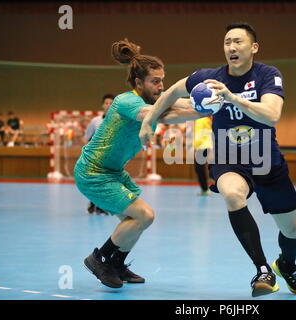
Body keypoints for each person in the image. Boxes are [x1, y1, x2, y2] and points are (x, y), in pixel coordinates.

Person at [140, 22, 296, 297]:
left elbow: (272, 114)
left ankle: (287, 266)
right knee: (232, 195)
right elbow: (173, 91)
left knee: (292, 228)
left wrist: (232, 98)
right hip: (229, 157)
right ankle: (262, 269)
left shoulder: (268, 75)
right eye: (227, 42)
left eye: (238, 42)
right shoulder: (209, 78)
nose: (231, 47)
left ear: (253, 47)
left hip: (267, 158)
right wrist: (149, 120)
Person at [75, 39, 210, 289]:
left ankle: (117, 265)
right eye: (155, 81)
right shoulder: (126, 102)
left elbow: (177, 104)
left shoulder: (155, 100)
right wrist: (204, 111)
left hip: (113, 172)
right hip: (93, 172)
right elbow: (161, 114)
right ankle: (100, 259)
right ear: (139, 83)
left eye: (162, 80)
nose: (161, 86)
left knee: (135, 220)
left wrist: (212, 104)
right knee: (144, 215)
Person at [83, 94, 115, 215]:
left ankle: (102, 206)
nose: (108, 105)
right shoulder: (95, 121)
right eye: (106, 103)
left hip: (111, 157)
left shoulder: (119, 121)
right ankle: (93, 203)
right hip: (96, 157)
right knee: (95, 180)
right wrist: (87, 153)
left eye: (111, 103)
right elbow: (86, 138)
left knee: (106, 182)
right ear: (103, 105)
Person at [193, 116, 213, 196]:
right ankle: (204, 189)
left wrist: (196, 146)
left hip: (203, 146)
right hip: (205, 145)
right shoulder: (205, 119)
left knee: (199, 168)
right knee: (200, 168)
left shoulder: (201, 119)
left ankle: (205, 189)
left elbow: (200, 134)